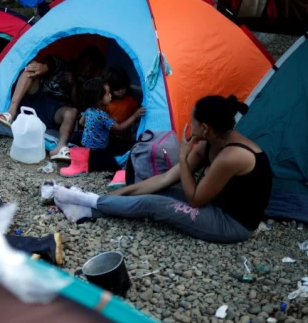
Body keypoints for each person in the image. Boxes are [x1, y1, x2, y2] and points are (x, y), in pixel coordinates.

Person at [53, 95, 273, 244]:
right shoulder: (210, 144)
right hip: (212, 206)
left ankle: (88, 200)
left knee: (154, 204)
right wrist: (121, 192)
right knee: (153, 190)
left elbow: (195, 199)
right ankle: (92, 208)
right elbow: (166, 177)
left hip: (232, 225)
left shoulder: (232, 155)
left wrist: (184, 157)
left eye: (192, 121)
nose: (190, 124)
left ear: (204, 128)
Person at [0, 47, 106, 161]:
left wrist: (74, 85)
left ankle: (60, 147)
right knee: (31, 67)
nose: (87, 70)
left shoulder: (85, 82)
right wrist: (44, 67)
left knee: (72, 112)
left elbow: (78, 105)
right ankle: (11, 112)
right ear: (81, 60)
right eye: (88, 65)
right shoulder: (62, 64)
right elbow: (50, 62)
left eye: (92, 68)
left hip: (57, 108)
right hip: (39, 96)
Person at [60, 78, 145, 177]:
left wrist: (93, 129)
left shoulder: (89, 110)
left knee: (77, 136)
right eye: (108, 94)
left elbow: (81, 122)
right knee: (110, 162)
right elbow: (120, 127)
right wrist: (135, 116)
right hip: (98, 151)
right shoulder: (102, 116)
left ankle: (79, 156)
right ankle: (121, 160)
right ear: (99, 99)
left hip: (86, 147)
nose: (110, 96)